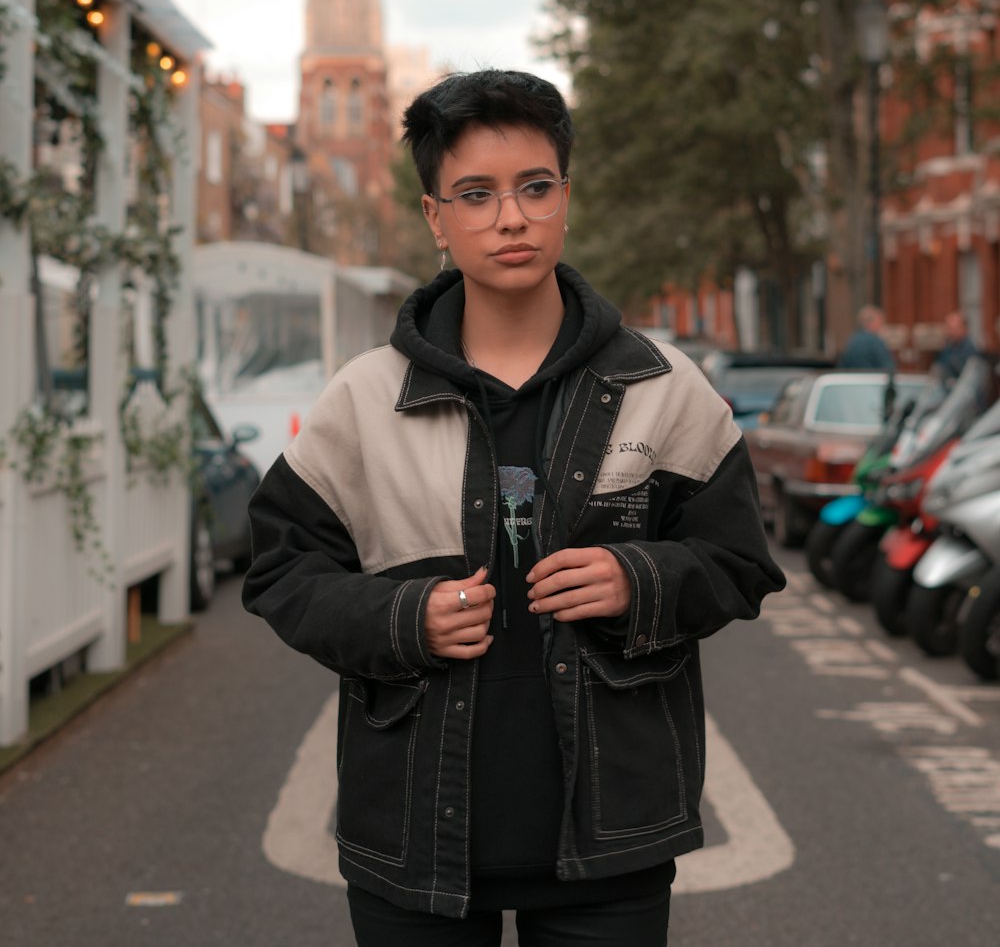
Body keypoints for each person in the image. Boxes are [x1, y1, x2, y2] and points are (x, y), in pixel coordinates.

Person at [243, 69, 785, 947]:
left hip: (613, 842)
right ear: (435, 217)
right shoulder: (365, 398)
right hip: (413, 837)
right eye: (476, 194)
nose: (510, 216)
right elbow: (280, 570)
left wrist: (638, 578)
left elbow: (740, 563)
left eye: (536, 187)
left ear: (566, 198)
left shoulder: (660, 384)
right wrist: (400, 616)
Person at [838, 305, 894, 371]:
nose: (882, 325)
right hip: (872, 379)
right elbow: (888, 368)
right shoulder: (875, 342)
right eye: (880, 321)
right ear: (872, 323)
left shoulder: (851, 340)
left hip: (853, 379)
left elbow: (842, 366)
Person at [935, 310, 978, 382]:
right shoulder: (948, 347)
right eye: (948, 328)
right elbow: (940, 368)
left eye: (953, 329)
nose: (949, 332)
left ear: (964, 329)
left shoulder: (970, 350)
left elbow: (970, 380)